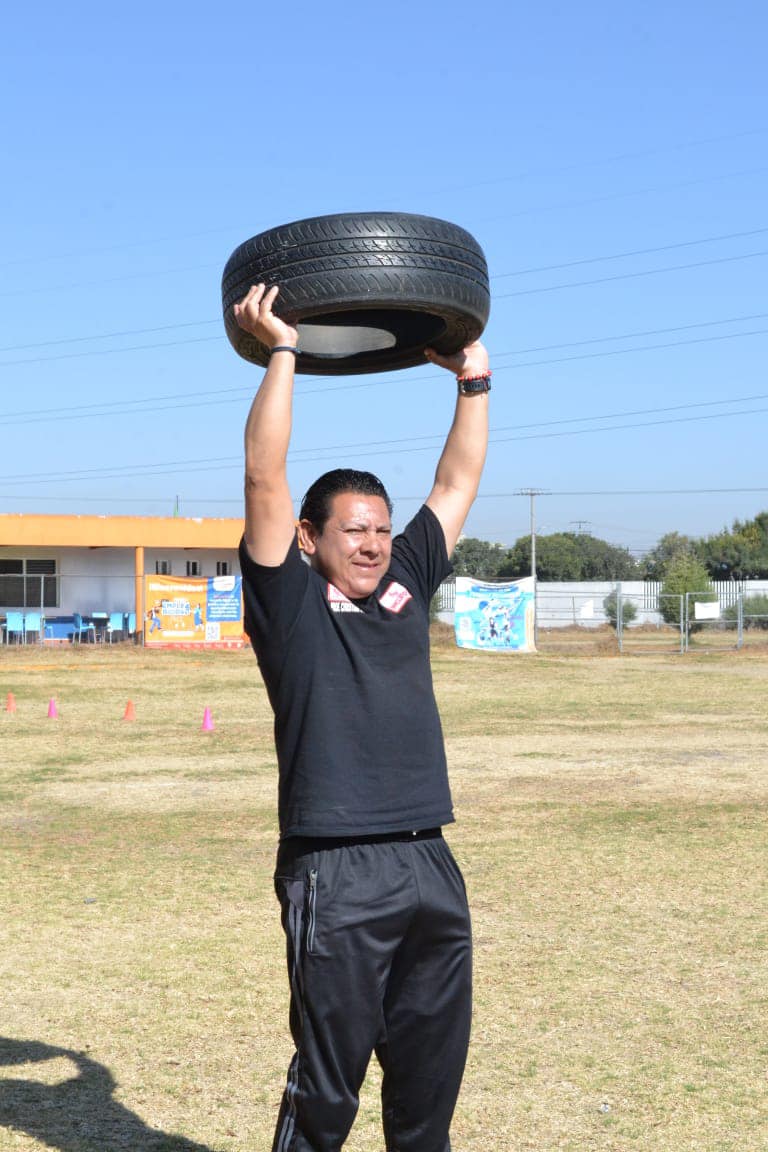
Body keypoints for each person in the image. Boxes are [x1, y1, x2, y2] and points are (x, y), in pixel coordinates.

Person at [234, 283, 490, 1152]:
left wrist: (473, 379)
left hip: (429, 859)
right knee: (329, 1091)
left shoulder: (407, 582)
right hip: (334, 872)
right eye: (354, 531)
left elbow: (455, 481)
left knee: (428, 1093)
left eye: (381, 529)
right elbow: (265, 476)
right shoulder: (289, 601)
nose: (374, 544)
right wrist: (283, 351)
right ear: (310, 539)